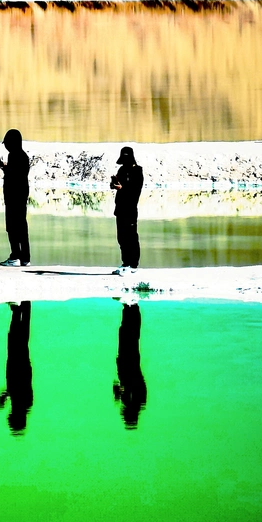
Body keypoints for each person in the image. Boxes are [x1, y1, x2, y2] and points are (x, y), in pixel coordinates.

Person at [0, 129, 30, 267]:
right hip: (21, 196)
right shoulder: (22, 156)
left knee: (12, 227)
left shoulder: (14, 156)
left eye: (7, 143)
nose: (6, 146)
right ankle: (25, 258)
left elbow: (14, 175)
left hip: (14, 197)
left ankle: (15, 256)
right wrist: (3, 166)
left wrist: (3, 166)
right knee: (22, 227)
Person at [0, 301, 33, 435]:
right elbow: (19, 388)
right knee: (18, 338)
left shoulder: (23, 405)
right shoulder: (25, 404)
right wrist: (6, 395)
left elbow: (14, 390)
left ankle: (19, 310)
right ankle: (22, 307)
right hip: (19, 367)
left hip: (16, 367)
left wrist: (5, 396)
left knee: (16, 337)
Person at [113, 301, 147, 429]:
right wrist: (119, 392)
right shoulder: (135, 401)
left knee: (128, 333)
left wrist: (119, 392)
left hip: (127, 364)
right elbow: (129, 384)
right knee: (130, 334)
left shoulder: (133, 401)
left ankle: (129, 306)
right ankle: (130, 306)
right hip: (129, 364)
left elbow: (120, 386)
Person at [110, 146, 143, 275]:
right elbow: (119, 184)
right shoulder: (122, 169)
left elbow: (135, 190)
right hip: (120, 208)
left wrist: (122, 188)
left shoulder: (137, 171)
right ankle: (126, 263)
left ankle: (133, 265)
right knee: (122, 237)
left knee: (131, 237)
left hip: (130, 209)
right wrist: (114, 184)